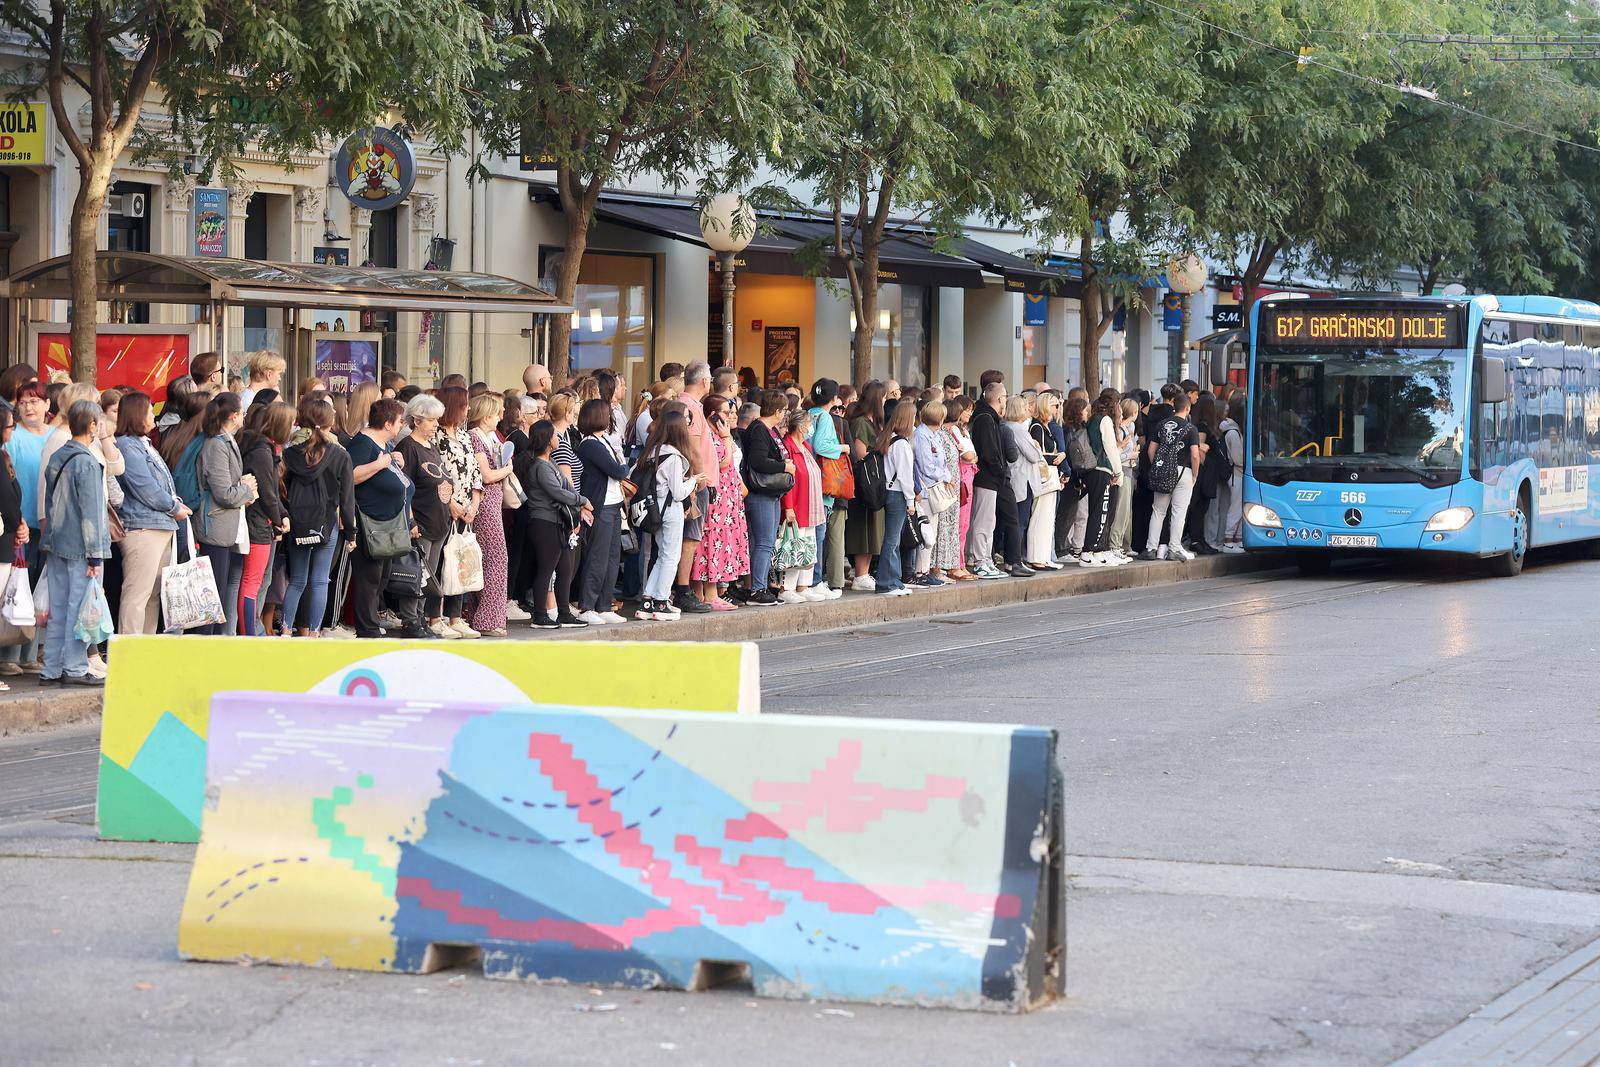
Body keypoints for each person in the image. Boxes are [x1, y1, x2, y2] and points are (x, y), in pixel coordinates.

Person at [39, 401, 110, 687]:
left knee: (59, 608)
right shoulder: (88, 462)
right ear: (92, 425)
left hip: (56, 542)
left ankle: (51, 668)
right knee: (81, 609)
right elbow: (92, 512)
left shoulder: (58, 455)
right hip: (82, 546)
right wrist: (95, 556)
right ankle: (76, 667)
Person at [347, 398, 429, 639]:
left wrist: (394, 463)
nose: (402, 425)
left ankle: (372, 622)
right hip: (370, 523)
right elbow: (350, 475)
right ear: (387, 423)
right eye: (399, 421)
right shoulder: (363, 444)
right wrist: (379, 464)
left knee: (381, 577)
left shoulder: (384, 445)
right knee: (369, 577)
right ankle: (367, 628)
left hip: (388, 523)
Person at [114, 391, 189, 636]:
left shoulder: (143, 444)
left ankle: (145, 649)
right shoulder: (127, 445)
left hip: (160, 526)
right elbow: (145, 487)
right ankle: (129, 651)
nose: (153, 416)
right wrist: (174, 507)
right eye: (148, 411)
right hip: (143, 528)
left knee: (153, 594)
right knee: (138, 593)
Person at [281, 397, 356, 638]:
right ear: (329, 422)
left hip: (298, 523)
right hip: (327, 524)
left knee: (297, 580)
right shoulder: (339, 455)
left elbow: (284, 489)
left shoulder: (290, 454)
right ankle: (314, 633)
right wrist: (351, 532)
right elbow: (347, 498)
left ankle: (285, 629)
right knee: (320, 580)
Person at [194, 392, 258, 634]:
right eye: (241, 412)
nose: (243, 417)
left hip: (225, 524)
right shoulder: (215, 445)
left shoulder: (224, 440)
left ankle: (215, 640)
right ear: (233, 416)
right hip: (215, 525)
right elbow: (224, 493)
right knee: (212, 592)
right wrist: (247, 490)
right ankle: (205, 643)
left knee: (220, 589)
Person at [393, 395, 454, 639]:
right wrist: (411, 521)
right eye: (431, 420)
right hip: (421, 520)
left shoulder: (432, 447)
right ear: (417, 420)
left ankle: (421, 618)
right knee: (415, 574)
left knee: (428, 576)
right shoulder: (408, 446)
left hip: (439, 520)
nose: (436, 424)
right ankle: (410, 621)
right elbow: (404, 487)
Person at [523, 418, 592, 629]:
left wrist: (580, 504)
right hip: (544, 523)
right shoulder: (540, 466)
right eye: (554, 435)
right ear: (546, 439)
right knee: (546, 569)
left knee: (565, 568)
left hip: (557, 523)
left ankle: (563, 612)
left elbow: (566, 486)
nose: (558, 439)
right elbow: (557, 492)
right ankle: (540, 615)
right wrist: (583, 500)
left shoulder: (550, 462)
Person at [636, 410, 703, 620]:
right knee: (671, 556)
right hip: (670, 510)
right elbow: (679, 491)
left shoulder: (653, 450)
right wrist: (694, 479)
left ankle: (648, 601)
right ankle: (661, 603)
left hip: (655, 509)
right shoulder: (674, 456)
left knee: (662, 556)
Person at [236, 402, 293, 634]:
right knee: (252, 581)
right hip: (257, 521)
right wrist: (279, 519)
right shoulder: (261, 451)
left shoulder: (265, 448)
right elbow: (268, 492)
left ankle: (251, 630)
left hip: (262, 520)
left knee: (257, 581)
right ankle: (249, 632)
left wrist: (282, 515)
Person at [573, 398, 630, 625]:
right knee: (597, 557)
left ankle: (605, 604)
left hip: (614, 505)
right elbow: (617, 469)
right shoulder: (590, 444)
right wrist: (625, 468)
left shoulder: (603, 440)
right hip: (601, 506)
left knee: (612, 557)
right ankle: (587, 605)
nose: (610, 419)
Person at [691, 394, 750, 611]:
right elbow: (723, 461)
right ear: (713, 415)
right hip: (718, 497)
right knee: (711, 541)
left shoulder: (715, 434)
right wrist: (726, 436)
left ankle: (703, 592)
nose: (730, 416)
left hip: (728, 496)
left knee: (714, 541)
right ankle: (709, 593)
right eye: (726, 412)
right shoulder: (713, 436)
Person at [432, 385, 481, 637]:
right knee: (440, 561)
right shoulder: (436, 436)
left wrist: (474, 504)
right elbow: (435, 474)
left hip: (466, 509)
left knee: (461, 560)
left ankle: (455, 617)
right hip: (445, 508)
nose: (468, 409)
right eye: (465, 404)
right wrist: (451, 504)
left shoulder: (464, 435)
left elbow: (475, 472)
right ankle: (435, 616)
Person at [467, 394, 514, 636]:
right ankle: (488, 619)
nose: (501, 417)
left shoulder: (491, 437)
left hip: (492, 502)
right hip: (485, 503)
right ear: (486, 416)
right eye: (497, 413)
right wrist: (507, 469)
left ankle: (484, 616)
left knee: (489, 558)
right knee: (495, 558)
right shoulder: (476, 438)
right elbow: (486, 475)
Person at [672, 362, 716, 614]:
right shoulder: (690, 407)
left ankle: (682, 587)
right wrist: (701, 478)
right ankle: (683, 588)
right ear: (704, 381)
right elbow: (693, 448)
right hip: (695, 483)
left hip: (695, 481)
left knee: (691, 537)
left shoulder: (691, 406)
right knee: (690, 537)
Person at [967, 382, 1023, 579]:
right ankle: (980, 561)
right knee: (983, 521)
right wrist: (999, 471)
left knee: (988, 521)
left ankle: (986, 560)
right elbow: (990, 452)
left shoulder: (988, 417)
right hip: (987, 478)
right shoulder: (985, 419)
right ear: (999, 399)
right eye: (1005, 397)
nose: (1006, 400)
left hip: (990, 477)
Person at [740, 390, 791, 606]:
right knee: (764, 542)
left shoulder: (769, 430)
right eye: (784, 410)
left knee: (762, 542)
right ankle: (757, 589)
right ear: (778, 411)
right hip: (760, 494)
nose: (785, 414)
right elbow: (758, 461)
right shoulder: (760, 430)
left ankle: (755, 586)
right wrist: (784, 466)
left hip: (771, 493)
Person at [1141, 391, 1202, 561]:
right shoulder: (1191, 429)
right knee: (1178, 512)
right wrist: (1195, 474)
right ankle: (1174, 548)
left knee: (1158, 511)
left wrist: (1159, 467)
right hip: (1184, 472)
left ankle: (1151, 548)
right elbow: (1195, 455)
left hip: (1163, 472)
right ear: (1187, 408)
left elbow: (1151, 450)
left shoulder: (1161, 424)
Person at [778, 407, 825, 603]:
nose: (810, 428)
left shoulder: (805, 445)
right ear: (800, 426)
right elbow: (787, 480)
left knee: (808, 545)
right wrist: (788, 507)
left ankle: (803, 586)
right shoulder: (789, 446)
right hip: (797, 503)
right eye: (808, 424)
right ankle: (786, 588)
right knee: (793, 544)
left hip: (811, 504)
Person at [805, 379, 847, 597]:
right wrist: (843, 447)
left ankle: (811, 580)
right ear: (834, 399)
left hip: (807, 479)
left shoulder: (807, 415)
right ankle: (815, 580)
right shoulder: (826, 418)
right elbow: (821, 446)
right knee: (819, 532)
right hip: (821, 480)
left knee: (811, 532)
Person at [844, 380, 887, 591]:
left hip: (875, 481)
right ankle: (860, 573)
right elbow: (860, 453)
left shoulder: (874, 423)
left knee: (874, 529)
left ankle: (866, 572)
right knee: (865, 529)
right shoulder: (861, 423)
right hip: (865, 482)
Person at [1079, 389, 1126, 568]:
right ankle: (1088, 551)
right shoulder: (1105, 420)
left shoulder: (1093, 419)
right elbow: (1110, 449)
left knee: (1096, 510)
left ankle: (1094, 551)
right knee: (1100, 511)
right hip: (1101, 469)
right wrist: (1118, 472)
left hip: (1092, 470)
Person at [874, 398, 916, 596]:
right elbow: (906, 476)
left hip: (888, 491)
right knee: (892, 539)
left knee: (893, 539)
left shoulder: (888, 438)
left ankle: (893, 579)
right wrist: (911, 501)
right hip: (898, 494)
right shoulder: (902, 445)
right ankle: (886, 582)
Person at [911, 399, 954, 586]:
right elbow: (927, 466)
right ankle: (920, 571)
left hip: (936, 486)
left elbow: (941, 462)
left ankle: (925, 569)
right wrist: (945, 476)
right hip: (927, 489)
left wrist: (946, 475)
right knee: (925, 531)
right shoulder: (921, 436)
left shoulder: (934, 434)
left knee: (932, 532)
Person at [1004, 395, 1049, 571]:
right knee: (1020, 521)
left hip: (1016, 478)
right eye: (1025, 407)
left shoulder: (1007, 426)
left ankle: (1011, 559)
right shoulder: (1019, 429)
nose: (1028, 411)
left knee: (1013, 521)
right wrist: (1037, 448)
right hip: (1023, 479)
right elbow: (1033, 455)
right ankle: (1015, 560)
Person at [1025, 393, 1064, 570]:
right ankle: (1036, 557)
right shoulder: (1037, 427)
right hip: (1044, 478)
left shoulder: (1046, 427)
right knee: (1040, 517)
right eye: (1054, 405)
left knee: (1048, 519)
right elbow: (1039, 456)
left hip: (1051, 477)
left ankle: (1043, 556)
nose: (1057, 408)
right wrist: (1058, 457)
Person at [1107, 396, 1140, 559]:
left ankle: (1122, 545)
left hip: (1128, 471)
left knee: (1126, 511)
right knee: (1121, 510)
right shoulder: (1120, 430)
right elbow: (1116, 454)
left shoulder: (1127, 429)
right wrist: (1132, 454)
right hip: (1123, 470)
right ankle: (1115, 545)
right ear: (1133, 412)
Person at [1218, 393, 1246, 552]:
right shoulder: (1233, 433)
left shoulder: (1232, 431)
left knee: (1239, 508)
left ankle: (1237, 539)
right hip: (1237, 474)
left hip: (1238, 475)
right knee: (1235, 508)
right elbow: (1238, 458)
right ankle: (1229, 540)